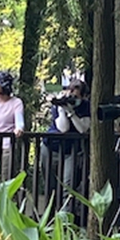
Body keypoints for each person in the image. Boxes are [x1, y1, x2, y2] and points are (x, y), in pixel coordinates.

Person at [40, 79, 92, 211]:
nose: (73, 98)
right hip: (51, 147)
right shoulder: (59, 105)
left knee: (68, 185)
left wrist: (71, 112)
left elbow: (83, 129)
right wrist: (62, 107)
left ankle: (65, 220)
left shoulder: (86, 106)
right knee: (50, 184)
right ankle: (50, 216)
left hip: (71, 150)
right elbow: (63, 128)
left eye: (76, 96)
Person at [0, 70, 25, 174]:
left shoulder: (16, 102)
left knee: (4, 175)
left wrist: (19, 128)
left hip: (6, 145)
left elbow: (19, 120)